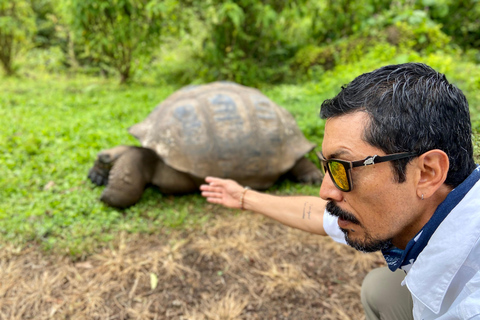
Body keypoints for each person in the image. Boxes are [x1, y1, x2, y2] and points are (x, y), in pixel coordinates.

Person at [200, 62, 480, 319]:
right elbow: (322, 215)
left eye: (345, 168)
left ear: (427, 173)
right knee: (381, 288)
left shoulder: (469, 303)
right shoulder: (439, 204)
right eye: (327, 167)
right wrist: (244, 197)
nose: (325, 191)